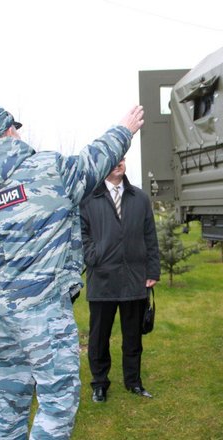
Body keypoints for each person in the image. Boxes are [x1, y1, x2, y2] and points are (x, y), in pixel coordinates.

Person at [0, 105, 144, 439]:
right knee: (57, 405)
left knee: (11, 405)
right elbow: (93, 162)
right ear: (9, 132)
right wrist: (124, 130)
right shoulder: (48, 169)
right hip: (45, 313)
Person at [79, 158, 160, 403]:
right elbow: (81, 234)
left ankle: (133, 382)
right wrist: (94, 256)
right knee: (99, 337)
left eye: (122, 158)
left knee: (133, 337)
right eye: (113, 159)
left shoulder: (140, 198)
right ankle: (99, 384)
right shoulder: (88, 199)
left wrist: (152, 270)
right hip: (102, 279)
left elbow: (150, 236)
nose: (118, 163)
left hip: (134, 278)